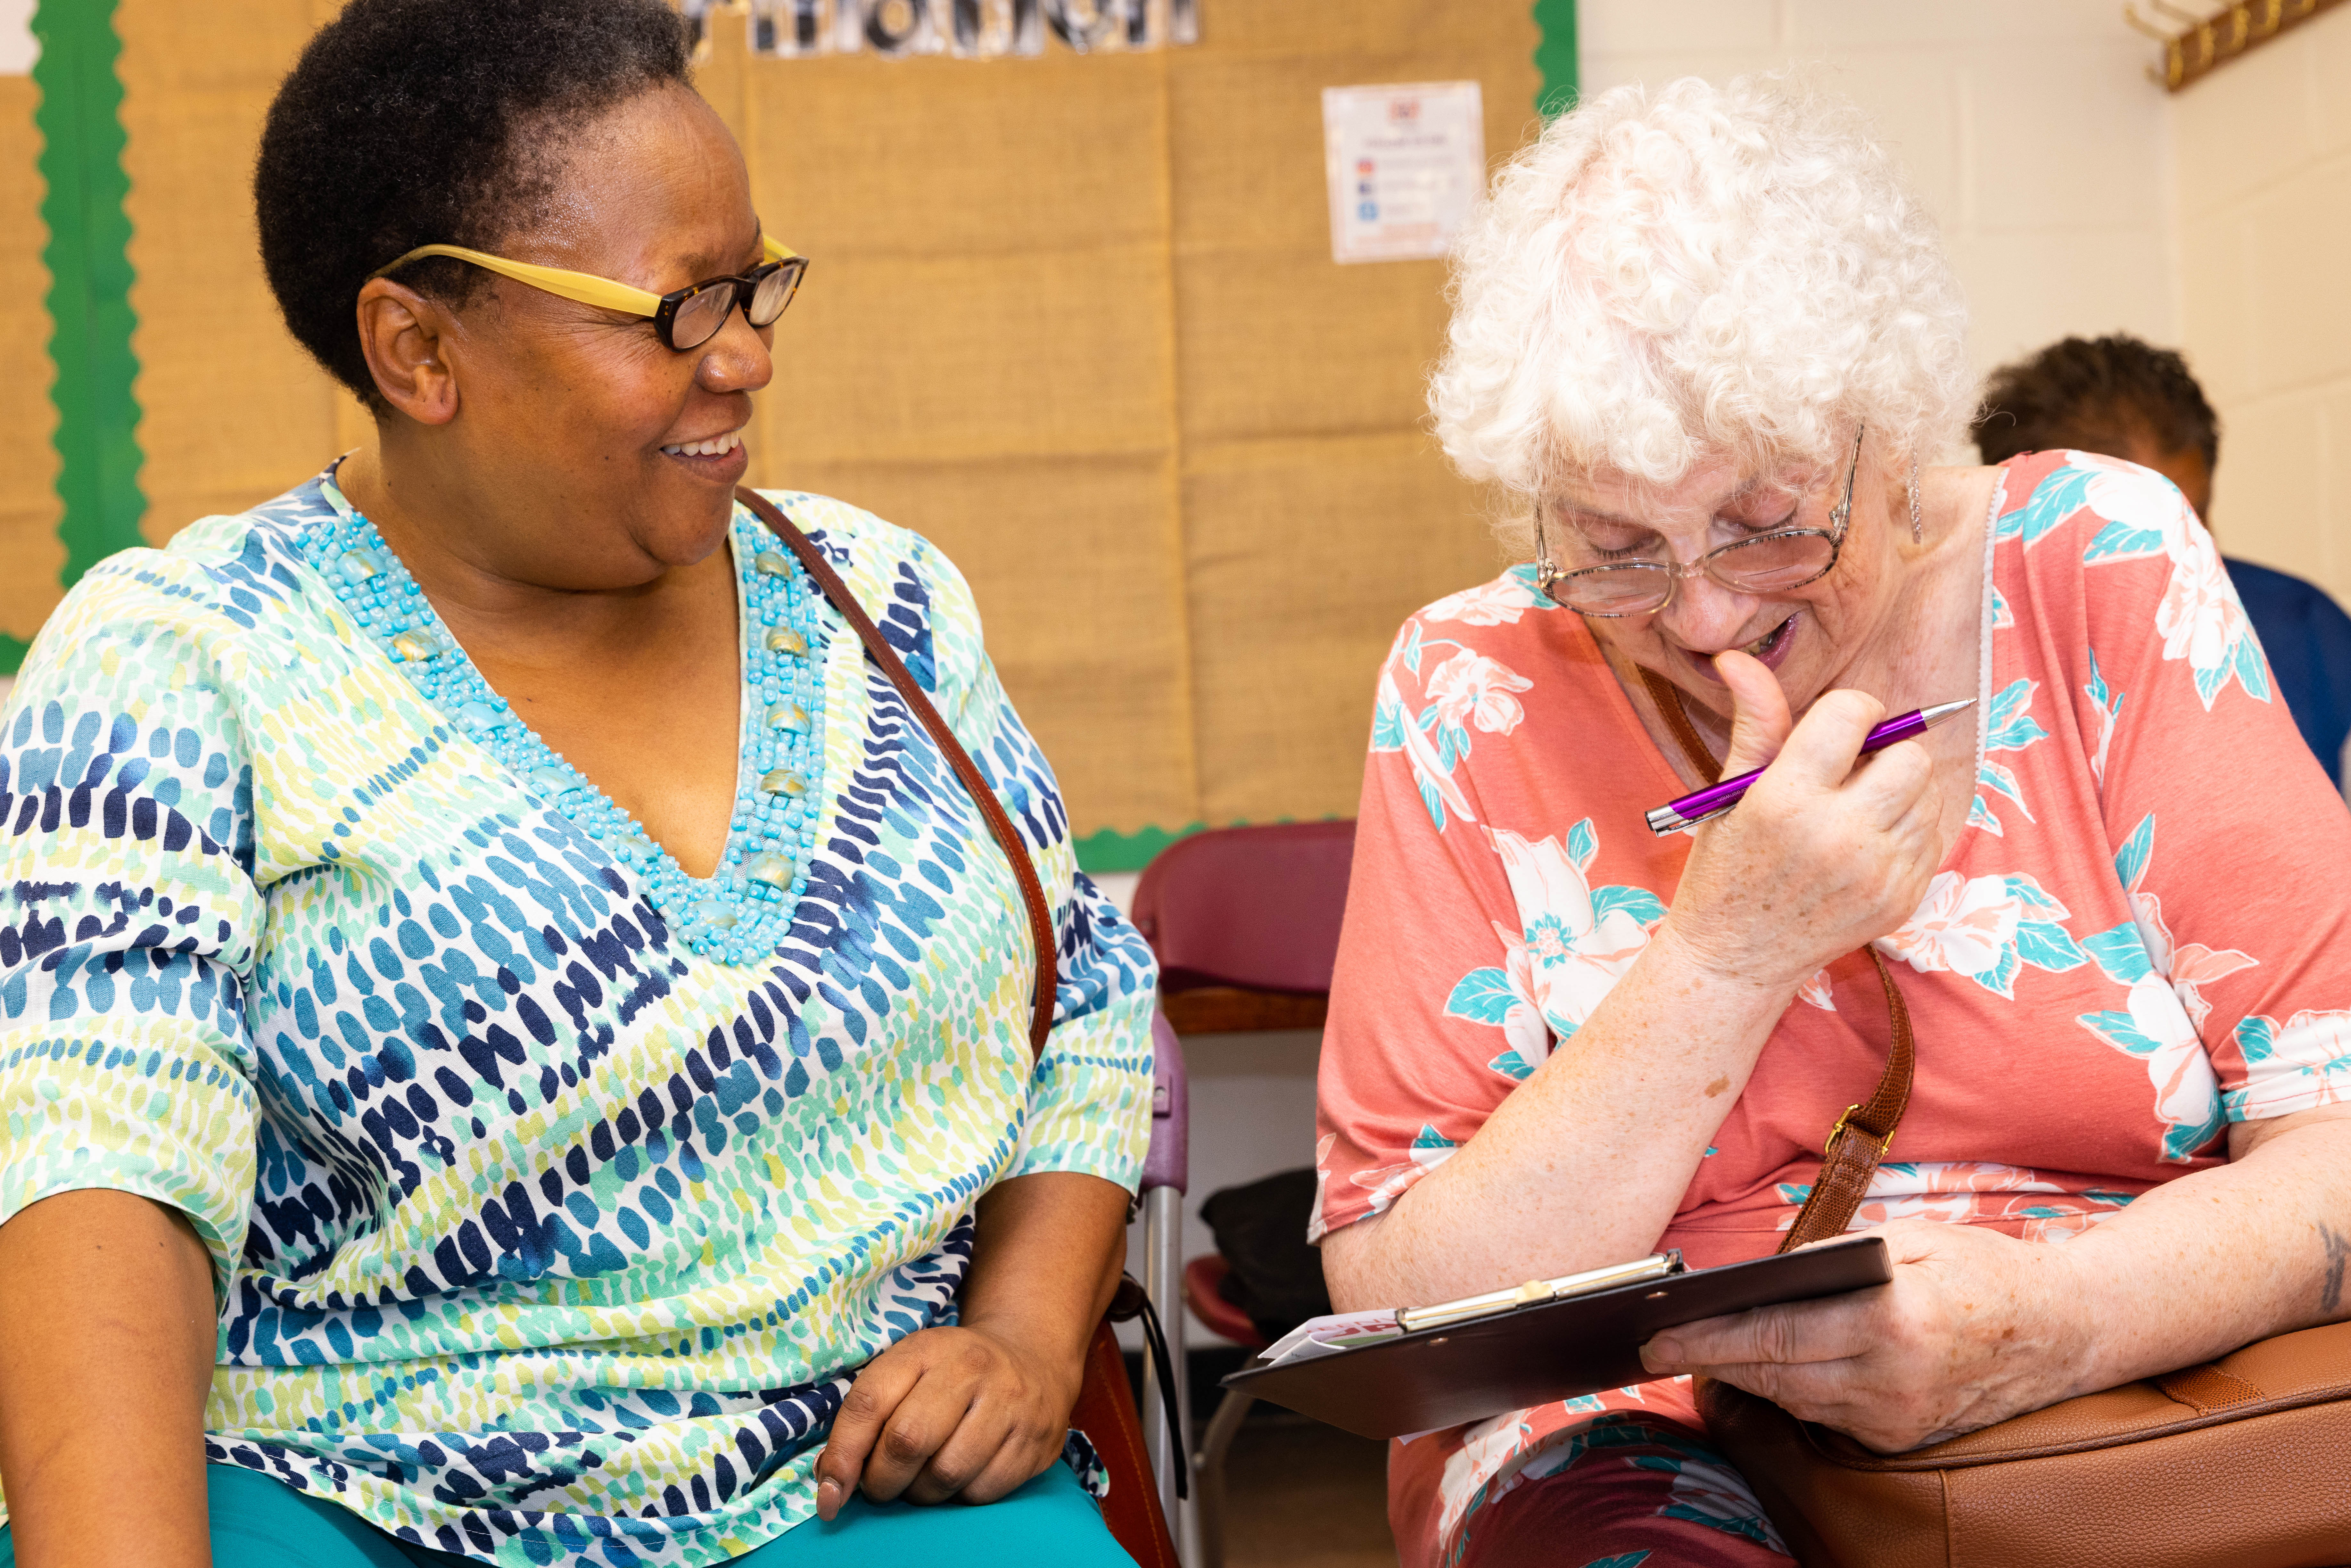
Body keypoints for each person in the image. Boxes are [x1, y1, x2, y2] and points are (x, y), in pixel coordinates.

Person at [0, 2, 1157, 1565]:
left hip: (866, 1481)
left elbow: (1079, 993)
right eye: (674, 309)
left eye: (752, 287)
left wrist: (1021, 1332)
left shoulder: (877, 600)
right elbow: (100, 1181)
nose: (744, 356)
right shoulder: (187, 660)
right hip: (354, 1495)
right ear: (419, 346)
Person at [1310, 74, 2351, 1568]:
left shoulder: (2094, 564)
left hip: (2133, 1378)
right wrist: (1728, 951)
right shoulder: (1471, 681)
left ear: (1895, 431)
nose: (1706, 611)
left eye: (1766, 521)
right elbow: (1407, 1312)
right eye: (1615, 549)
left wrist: (2055, 1320)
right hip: (1641, 1427)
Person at [1976, 333, 2351, 788]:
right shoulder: (1976, 678)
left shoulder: (2301, 629)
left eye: (2194, 520)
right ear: (2022, 528)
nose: (2179, 564)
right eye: (2136, 541)